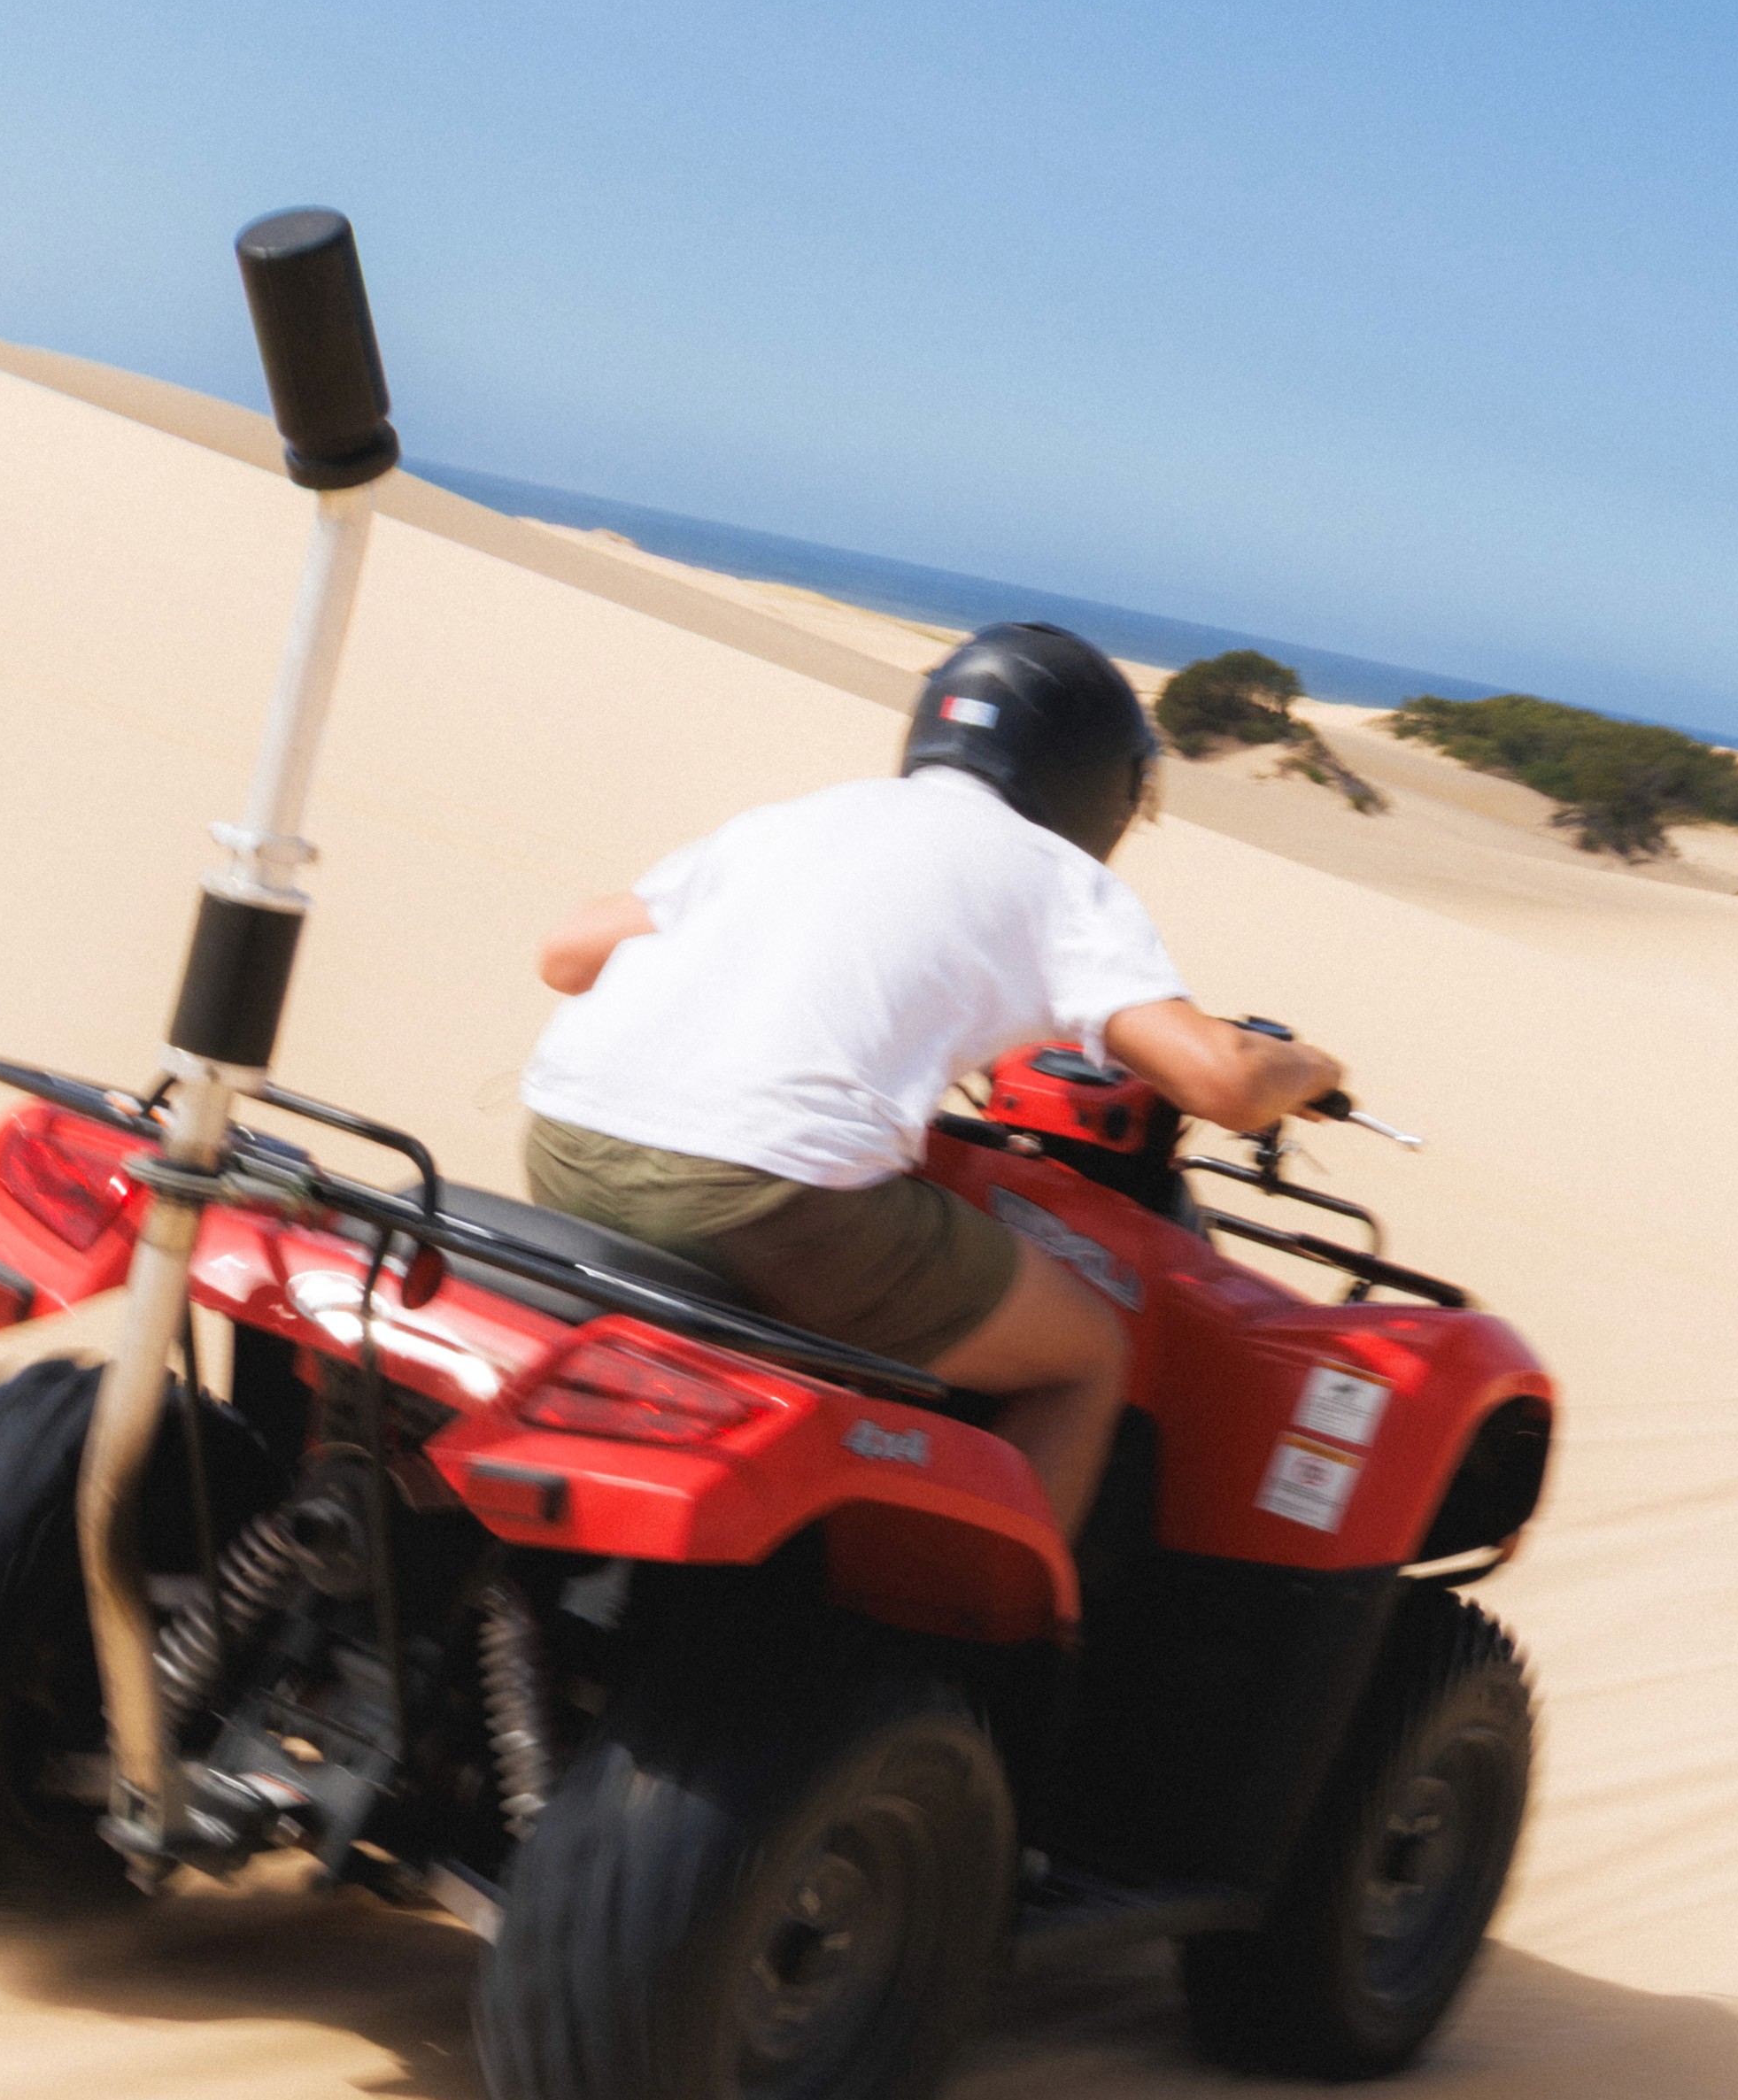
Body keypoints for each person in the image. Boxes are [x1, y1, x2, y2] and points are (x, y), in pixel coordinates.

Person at [517, 623, 1347, 1536]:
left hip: (565, 1145)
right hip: (762, 1196)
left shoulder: (797, 817)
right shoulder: (1056, 875)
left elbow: (566, 954)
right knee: (1085, 1356)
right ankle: (985, 1622)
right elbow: (1223, 1081)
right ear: (1098, 782)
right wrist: (1310, 1069)